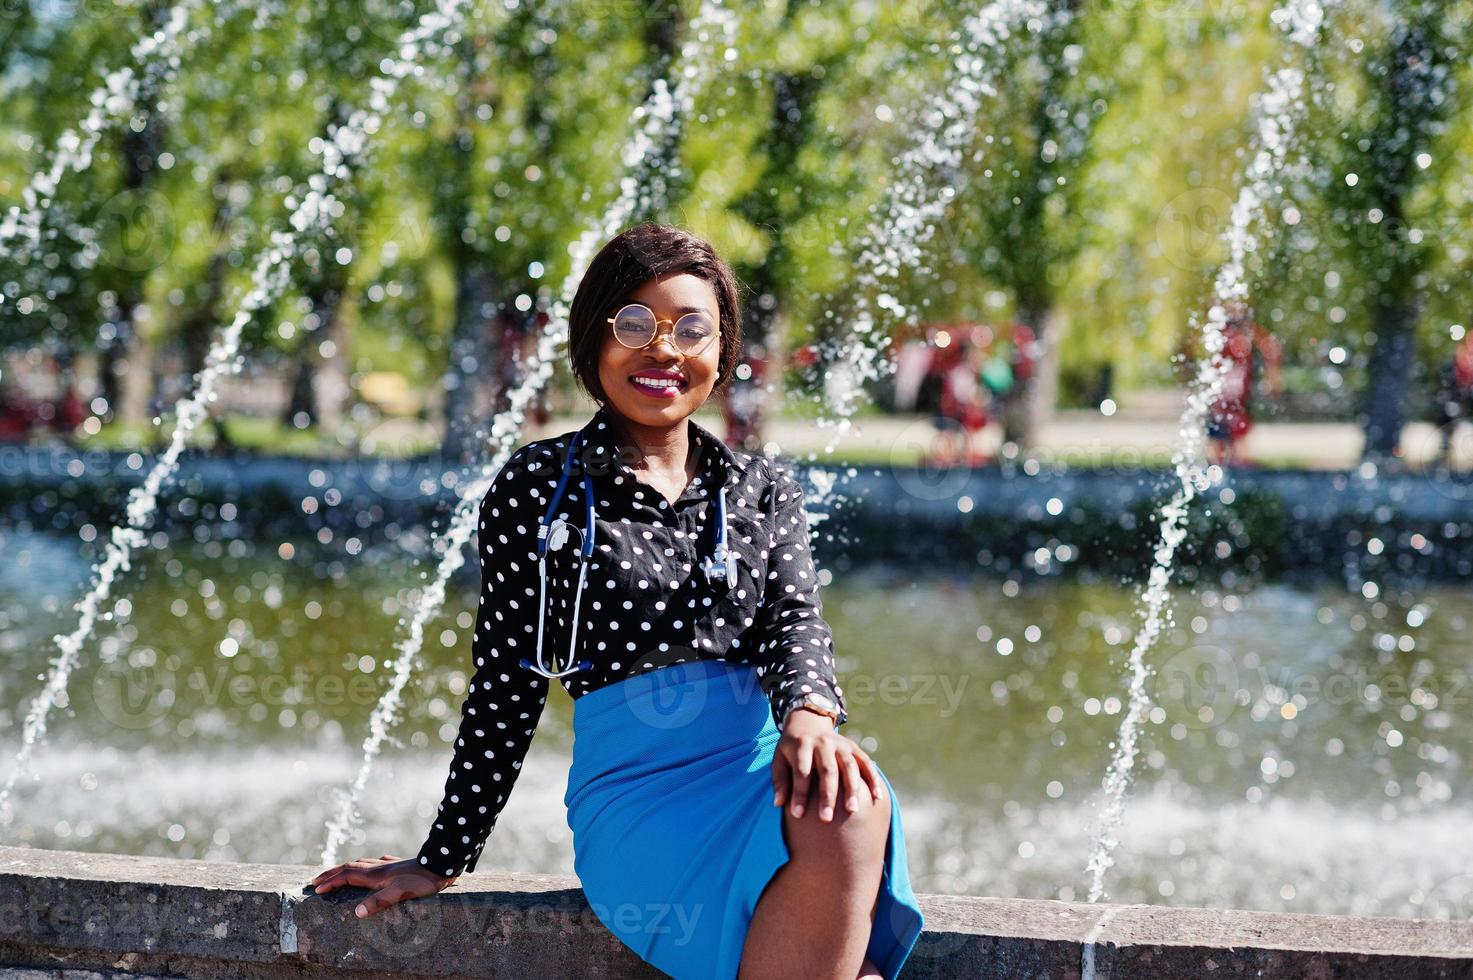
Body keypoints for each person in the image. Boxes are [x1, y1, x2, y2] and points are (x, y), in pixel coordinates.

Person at [309, 224, 925, 980]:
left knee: (849, 796)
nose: (663, 350)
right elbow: (507, 680)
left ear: (722, 350)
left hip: (752, 765)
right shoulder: (539, 487)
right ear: (593, 339)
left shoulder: (761, 488)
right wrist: (443, 856)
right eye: (635, 324)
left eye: (691, 328)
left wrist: (808, 716)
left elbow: (794, 621)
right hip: (637, 799)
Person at [1206, 301, 1282, 467]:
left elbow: (1270, 349)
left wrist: (1272, 374)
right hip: (1224, 392)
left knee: (1235, 430)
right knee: (1221, 432)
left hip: (1235, 392)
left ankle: (1235, 467)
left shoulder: (1245, 333)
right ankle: (1226, 466)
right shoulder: (1222, 333)